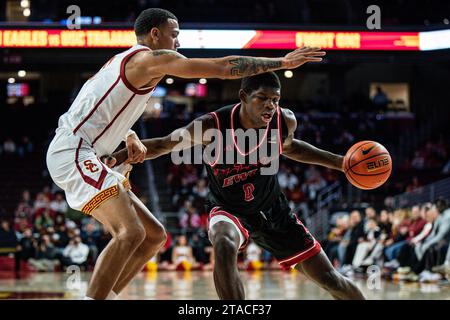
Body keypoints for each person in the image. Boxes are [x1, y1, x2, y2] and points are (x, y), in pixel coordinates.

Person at [45, 8, 324, 300]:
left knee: (153, 237)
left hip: (86, 148)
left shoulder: (123, 62)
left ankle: (107, 296)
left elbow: (96, 106)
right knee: (129, 233)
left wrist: (127, 133)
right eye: (174, 35)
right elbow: (222, 67)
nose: (178, 43)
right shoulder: (150, 58)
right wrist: (282, 61)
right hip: (75, 152)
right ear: (155, 34)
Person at [108, 72, 364, 300]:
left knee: (332, 281)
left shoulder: (283, 121)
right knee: (223, 243)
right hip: (229, 209)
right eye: (262, 98)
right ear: (243, 96)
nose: (270, 106)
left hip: (274, 211)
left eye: (275, 99)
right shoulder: (211, 126)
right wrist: (116, 157)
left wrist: (341, 163)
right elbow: (164, 144)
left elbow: (291, 148)